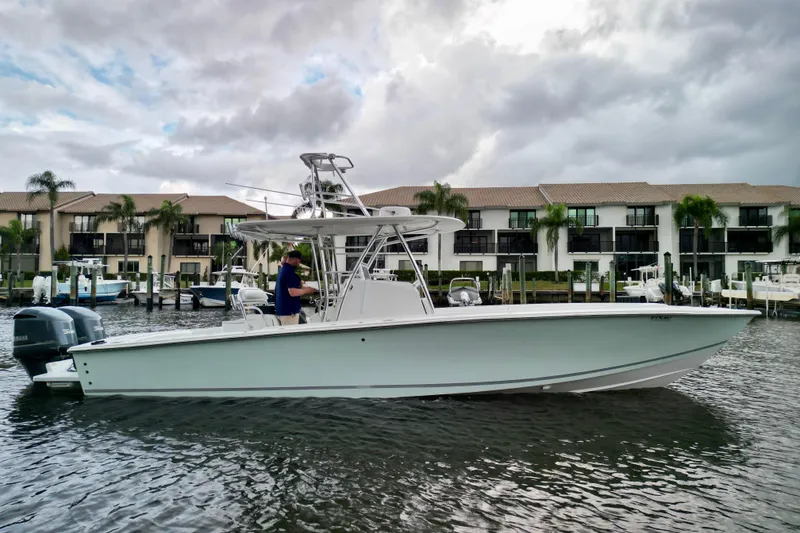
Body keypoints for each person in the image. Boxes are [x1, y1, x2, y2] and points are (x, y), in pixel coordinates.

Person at [275, 250, 315, 325]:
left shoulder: (283, 270)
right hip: (289, 312)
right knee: (289, 334)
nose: (299, 264)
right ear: (296, 260)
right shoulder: (289, 272)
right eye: (299, 261)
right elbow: (292, 292)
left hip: (284, 310)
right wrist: (307, 290)